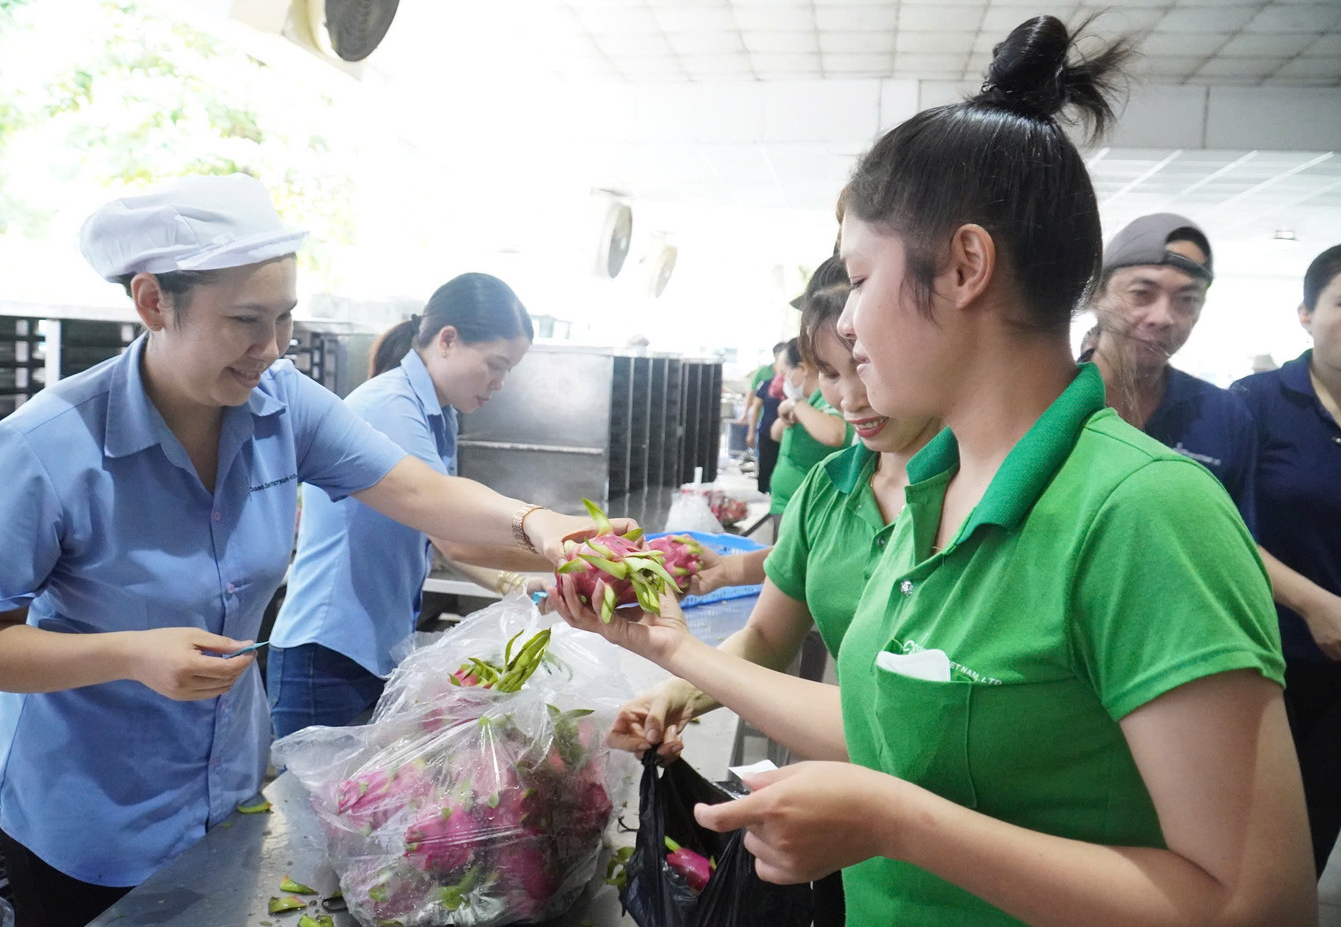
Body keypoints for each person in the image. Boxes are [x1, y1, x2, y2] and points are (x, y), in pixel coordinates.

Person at [551, 16, 1314, 926]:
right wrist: (672, 650)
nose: (853, 327)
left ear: (964, 266)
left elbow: (1258, 900)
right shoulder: (929, 492)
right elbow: (895, 729)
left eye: (862, 277)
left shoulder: (1142, 511)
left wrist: (897, 821)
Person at [0, 174, 625, 927]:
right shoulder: (44, 448)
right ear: (151, 303)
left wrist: (537, 522)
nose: (271, 348)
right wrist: (130, 654)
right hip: (88, 817)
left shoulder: (278, 404)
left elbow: (415, 491)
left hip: (225, 793)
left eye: (284, 318)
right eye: (245, 320)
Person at [611, 253, 940, 754]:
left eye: (867, 365)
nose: (851, 398)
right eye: (829, 373)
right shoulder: (827, 490)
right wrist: (681, 693)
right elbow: (766, 636)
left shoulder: (971, 495)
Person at [268, 273, 547, 738]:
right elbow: (455, 535)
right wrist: (573, 553)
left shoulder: (438, 414)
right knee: (323, 806)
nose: (499, 383)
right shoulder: (390, 406)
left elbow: (441, 538)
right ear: (448, 340)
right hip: (327, 655)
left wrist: (518, 582)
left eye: (508, 371)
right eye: (494, 364)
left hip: (372, 651)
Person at [1232, 243, 1341, 878]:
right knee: (1260, 850)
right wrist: (1314, 604)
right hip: (1269, 662)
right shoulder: (1255, 403)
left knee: (1314, 842)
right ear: (1304, 313)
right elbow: (1214, 527)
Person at [1084, 212, 1258, 521]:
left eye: (1186, 300)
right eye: (1141, 294)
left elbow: (1232, 535)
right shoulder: (1047, 401)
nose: (1163, 317)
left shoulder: (1223, 417)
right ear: (1097, 295)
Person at [768, 338, 853, 518]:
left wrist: (796, 403)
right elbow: (775, 434)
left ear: (803, 369)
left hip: (809, 512)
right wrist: (791, 406)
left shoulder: (827, 398)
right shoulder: (807, 404)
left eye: (785, 374)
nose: (781, 381)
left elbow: (834, 434)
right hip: (787, 507)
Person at [749, 342, 788, 492]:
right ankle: (762, 493)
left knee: (780, 468)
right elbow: (756, 406)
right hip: (766, 433)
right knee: (765, 466)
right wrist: (751, 431)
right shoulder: (767, 384)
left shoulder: (796, 388)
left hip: (786, 436)